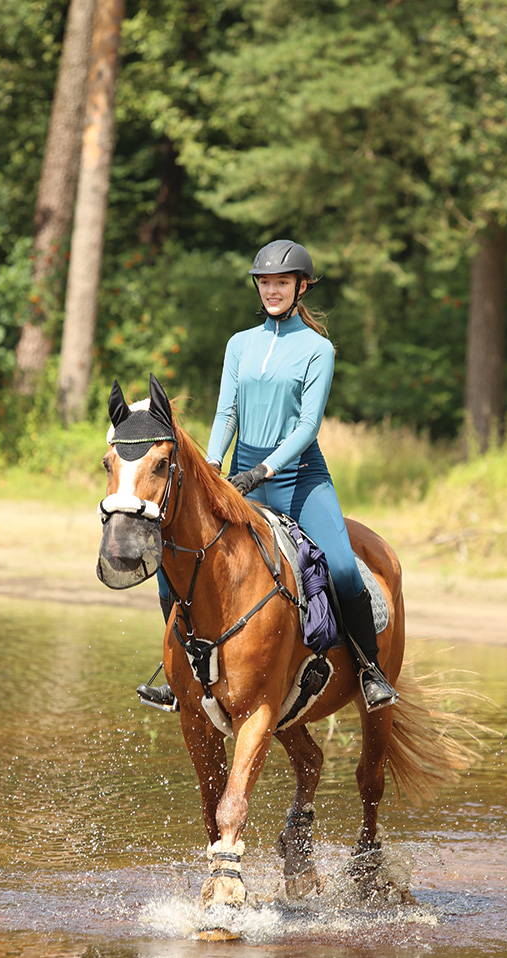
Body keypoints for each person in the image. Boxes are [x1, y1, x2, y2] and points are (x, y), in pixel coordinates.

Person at [136, 238, 398, 713]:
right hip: (239, 475)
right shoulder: (239, 344)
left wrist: (264, 470)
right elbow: (226, 411)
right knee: (172, 562)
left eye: (281, 282)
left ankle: (368, 668)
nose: (272, 290)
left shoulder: (319, 349)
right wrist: (214, 465)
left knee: (340, 568)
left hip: (299, 478)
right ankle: (179, 674)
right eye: (265, 283)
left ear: (300, 287)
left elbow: (307, 427)